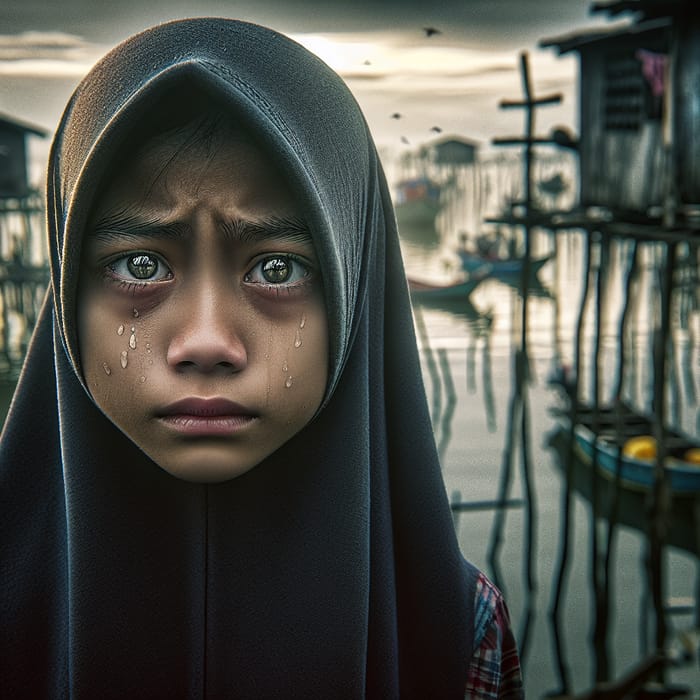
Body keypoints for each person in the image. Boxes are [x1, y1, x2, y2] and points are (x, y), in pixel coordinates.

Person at [0, 18, 523, 698]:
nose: (209, 342)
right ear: (68, 292)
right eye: (140, 263)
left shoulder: (460, 635)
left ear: (352, 287)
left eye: (276, 269)